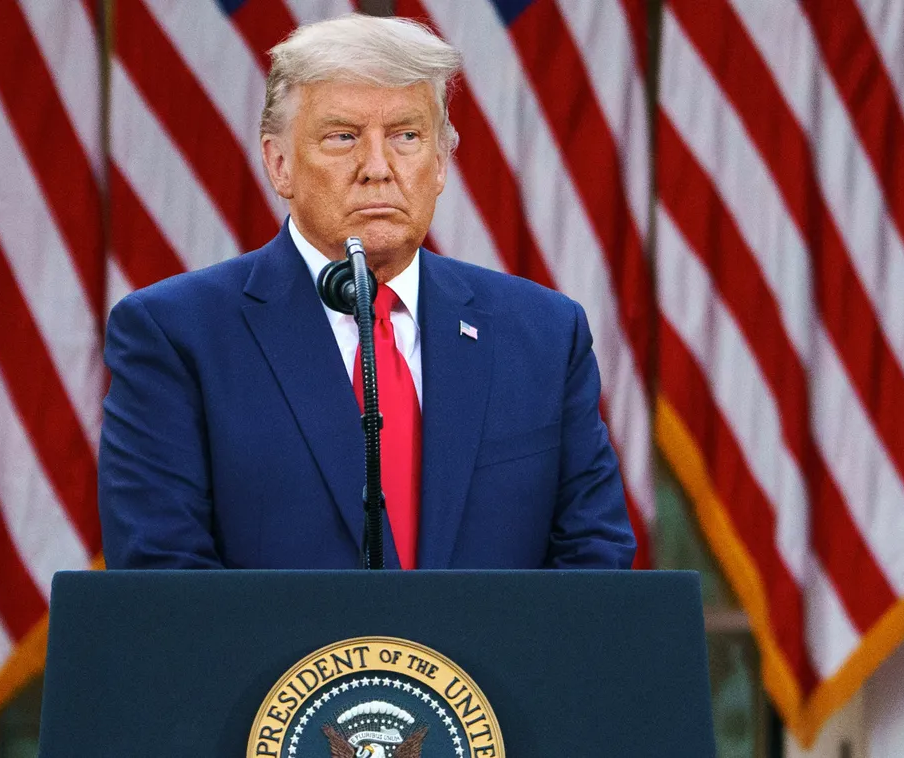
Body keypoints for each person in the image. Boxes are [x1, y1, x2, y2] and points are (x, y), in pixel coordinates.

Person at [98, 14, 635, 570]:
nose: (378, 168)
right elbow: (161, 577)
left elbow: (594, 560)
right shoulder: (175, 336)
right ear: (279, 164)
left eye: (406, 135)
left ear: (441, 161)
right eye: (343, 137)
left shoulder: (544, 335)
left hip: (493, 663)